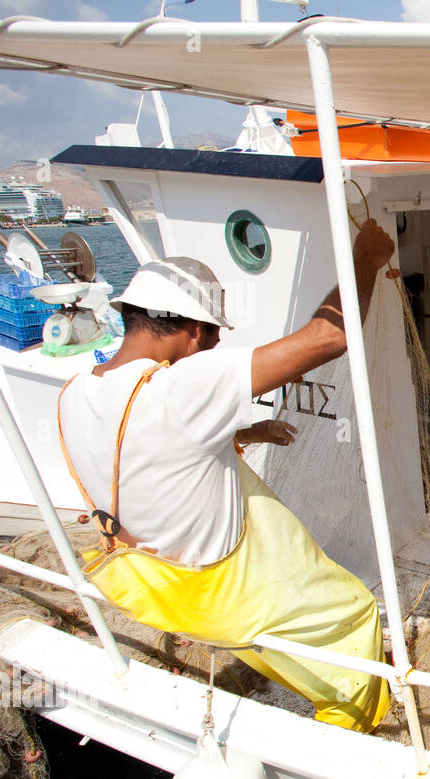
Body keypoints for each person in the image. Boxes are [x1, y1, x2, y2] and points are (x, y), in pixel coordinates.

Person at [55, 220, 397, 734]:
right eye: (214, 334)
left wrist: (248, 432)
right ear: (193, 328)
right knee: (356, 609)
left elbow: (157, 457)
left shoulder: (76, 394)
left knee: (278, 628)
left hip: (148, 586)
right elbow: (329, 337)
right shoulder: (185, 384)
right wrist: (365, 258)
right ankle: (356, 726)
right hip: (221, 595)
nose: (214, 347)